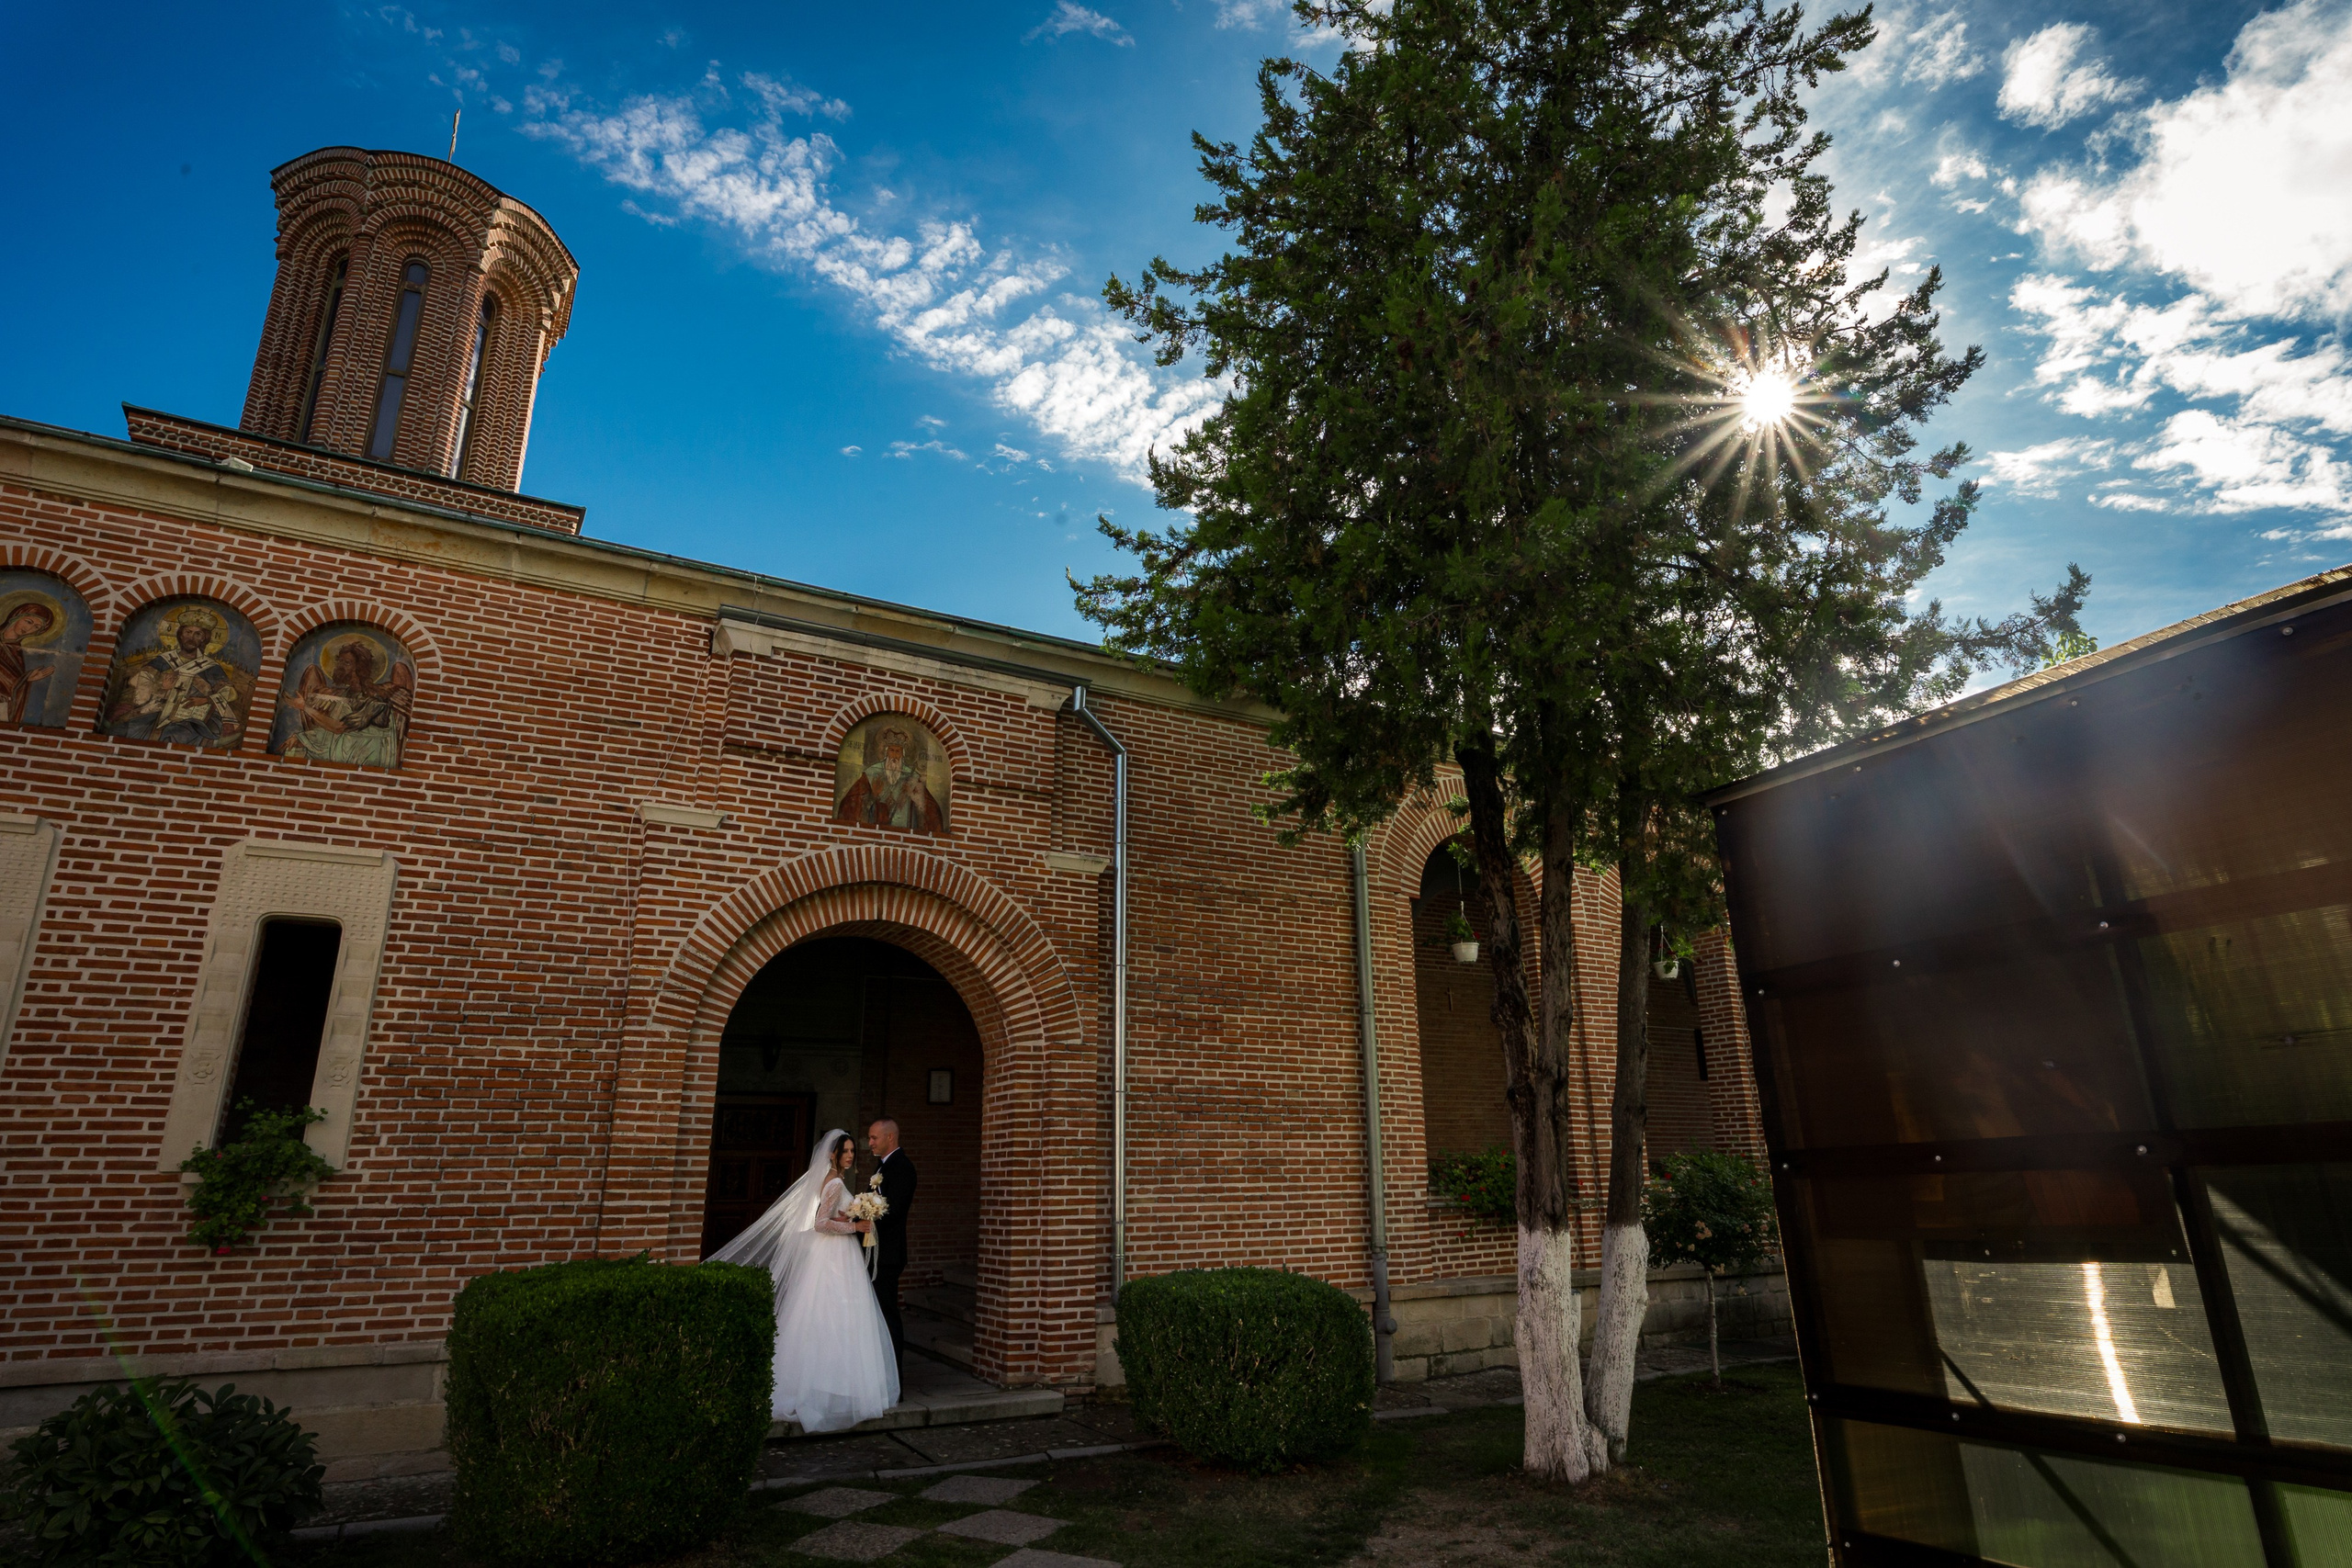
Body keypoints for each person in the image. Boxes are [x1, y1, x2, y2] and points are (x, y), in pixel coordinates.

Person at [707, 1129, 899, 1432]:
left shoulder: (830, 1181)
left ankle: (829, 1386)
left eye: (852, 1150)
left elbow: (829, 1218)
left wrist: (848, 1220)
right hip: (834, 1257)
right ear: (832, 1155)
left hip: (833, 1254)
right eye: (845, 1151)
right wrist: (857, 1226)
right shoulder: (834, 1182)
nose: (850, 1155)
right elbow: (820, 1224)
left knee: (827, 1318)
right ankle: (829, 1391)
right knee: (834, 1317)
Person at [866, 1118, 918, 1369]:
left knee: (887, 1315)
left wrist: (860, 1218)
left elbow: (894, 1211)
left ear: (890, 1137)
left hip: (888, 1253)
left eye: (874, 1137)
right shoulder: (882, 1167)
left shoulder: (902, 1168)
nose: (870, 1142)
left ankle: (894, 1378)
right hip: (874, 1251)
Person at [0, 601, 57, 726]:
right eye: (29, 622)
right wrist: (24, 678)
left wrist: (26, 680)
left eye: (36, 627)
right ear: (16, 617)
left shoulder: (16, 651)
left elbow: (11, 683)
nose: (29, 629)